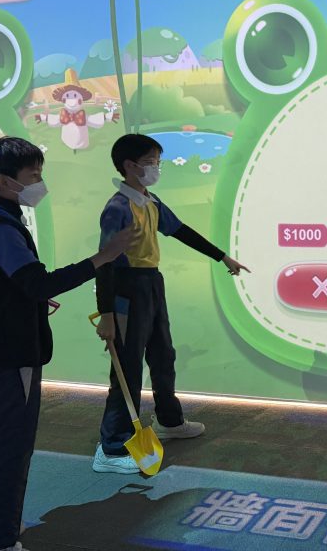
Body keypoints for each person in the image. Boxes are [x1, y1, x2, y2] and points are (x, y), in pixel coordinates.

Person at [0, 136, 134, 551]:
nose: (39, 183)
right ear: (4, 181)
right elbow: (37, 282)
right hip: (7, 353)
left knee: (3, 442)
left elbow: (3, 284)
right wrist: (103, 257)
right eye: (33, 176)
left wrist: (23, 298)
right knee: (12, 446)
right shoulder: (0, 226)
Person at [92, 134, 249, 474]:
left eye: (157, 162)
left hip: (151, 283)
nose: (156, 168)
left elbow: (181, 230)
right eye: (151, 162)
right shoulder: (117, 208)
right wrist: (107, 314)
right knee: (127, 369)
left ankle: (169, 420)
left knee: (163, 355)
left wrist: (221, 256)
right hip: (126, 289)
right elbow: (103, 262)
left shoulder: (150, 202)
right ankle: (112, 445)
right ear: (129, 166)